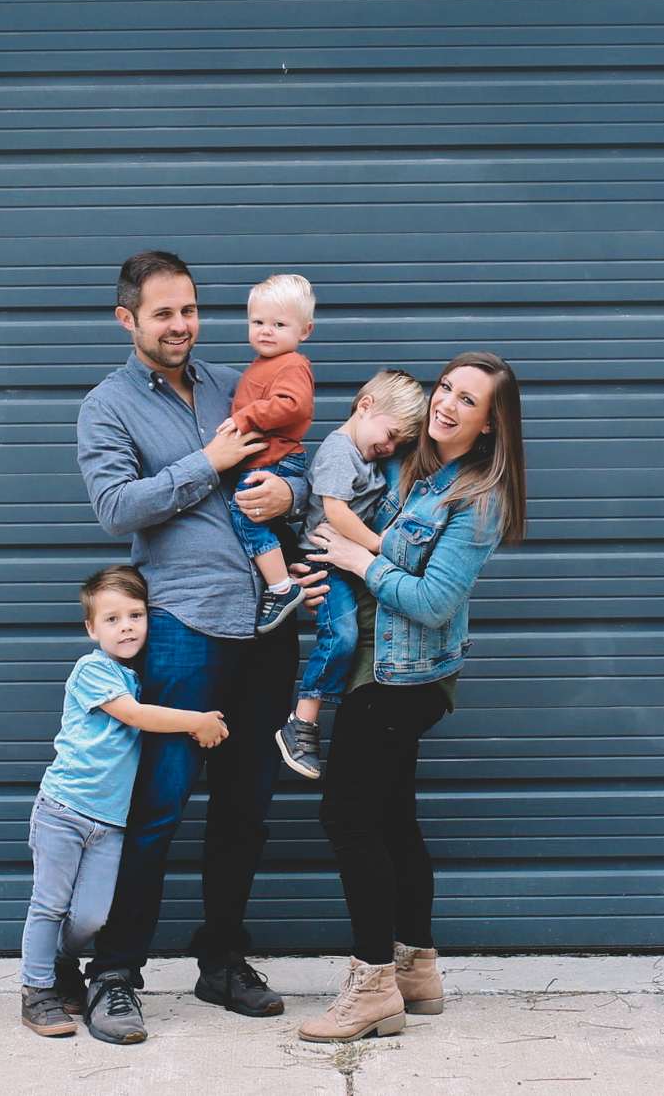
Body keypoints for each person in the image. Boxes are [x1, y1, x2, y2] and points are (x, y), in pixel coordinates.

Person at [72, 250, 324, 1045]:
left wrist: (294, 493)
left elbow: (299, 464)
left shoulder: (235, 380)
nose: (180, 325)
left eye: (188, 309)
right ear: (128, 320)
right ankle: (114, 973)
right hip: (181, 627)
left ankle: (221, 959)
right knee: (158, 805)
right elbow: (116, 506)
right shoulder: (105, 406)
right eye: (162, 313)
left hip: (266, 623)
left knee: (248, 807)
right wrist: (205, 462)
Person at [296, 352, 527, 1044]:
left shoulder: (478, 498)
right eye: (446, 389)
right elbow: (329, 500)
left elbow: (431, 601)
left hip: (405, 675)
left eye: (469, 400)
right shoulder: (405, 465)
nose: (448, 404)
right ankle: (416, 967)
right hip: (374, 659)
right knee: (393, 817)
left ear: (490, 426)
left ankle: (371, 987)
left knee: (347, 814)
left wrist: (358, 559)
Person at [20, 567, 229, 1038]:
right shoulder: (93, 670)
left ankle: (60, 963)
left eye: (136, 615)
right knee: (49, 905)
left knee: (93, 915)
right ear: (92, 630)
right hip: (64, 809)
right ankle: (36, 991)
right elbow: (135, 717)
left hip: (109, 822)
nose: (127, 626)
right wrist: (197, 720)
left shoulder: (132, 677)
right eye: (112, 619)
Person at [276, 370, 427, 780]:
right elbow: (338, 512)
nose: (390, 447)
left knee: (351, 636)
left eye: (399, 444)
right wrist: (379, 547)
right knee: (340, 635)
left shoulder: (366, 455)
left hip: (342, 563)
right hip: (324, 563)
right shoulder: (340, 451)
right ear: (365, 406)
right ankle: (302, 722)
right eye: (391, 434)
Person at [225, 273, 319, 636]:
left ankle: (282, 588)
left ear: (304, 331)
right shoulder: (261, 364)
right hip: (267, 458)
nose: (266, 331)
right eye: (258, 322)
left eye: (279, 324)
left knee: (246, 514)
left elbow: (293, 406)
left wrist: (244, 417)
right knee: (250, 514)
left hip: (278, 458)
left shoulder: (293, 364)